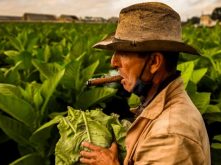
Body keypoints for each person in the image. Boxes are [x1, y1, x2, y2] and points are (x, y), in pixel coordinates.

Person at [80, 2, 211, 165]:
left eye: (124, 53)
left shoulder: (170, 134)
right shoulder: (155, 102)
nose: (114, 62)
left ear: (154, 62)